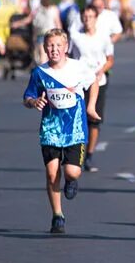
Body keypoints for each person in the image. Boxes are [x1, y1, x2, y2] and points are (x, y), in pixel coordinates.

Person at [22, 29, 100, 234]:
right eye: (50, 46)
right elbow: (27, 97)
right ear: (45, 49)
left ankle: (72, 180)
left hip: (75, 129)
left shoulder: (78, 68)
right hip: (50, 129)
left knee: (71, 172)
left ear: (66, 48)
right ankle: (57, 215)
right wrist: (34, 102)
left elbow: (94, 83)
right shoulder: (40, 72)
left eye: (58, 46)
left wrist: (91, 107)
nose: (54, 49)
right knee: (51, 173)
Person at [70, 6, 114, 173]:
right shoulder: (76, 37)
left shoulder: (104, 38)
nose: (88, 19)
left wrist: (101, 70)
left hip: (98, 81)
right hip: (79, 82)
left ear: (96, 18)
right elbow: (68, 57)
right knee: (79, 120)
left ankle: (89, 154)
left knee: (94, 121)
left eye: (91, 16)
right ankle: (77, 154)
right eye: (85, 16)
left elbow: (110, 59)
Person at [31, 0, 62, 64]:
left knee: (43, 55)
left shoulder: (37, 10)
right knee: (52, 55)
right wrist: (61, 34)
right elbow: (58, 23)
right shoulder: (54, 9)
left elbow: (34, 24)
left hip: (42, 35)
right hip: (52, 35)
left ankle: (44, 72)